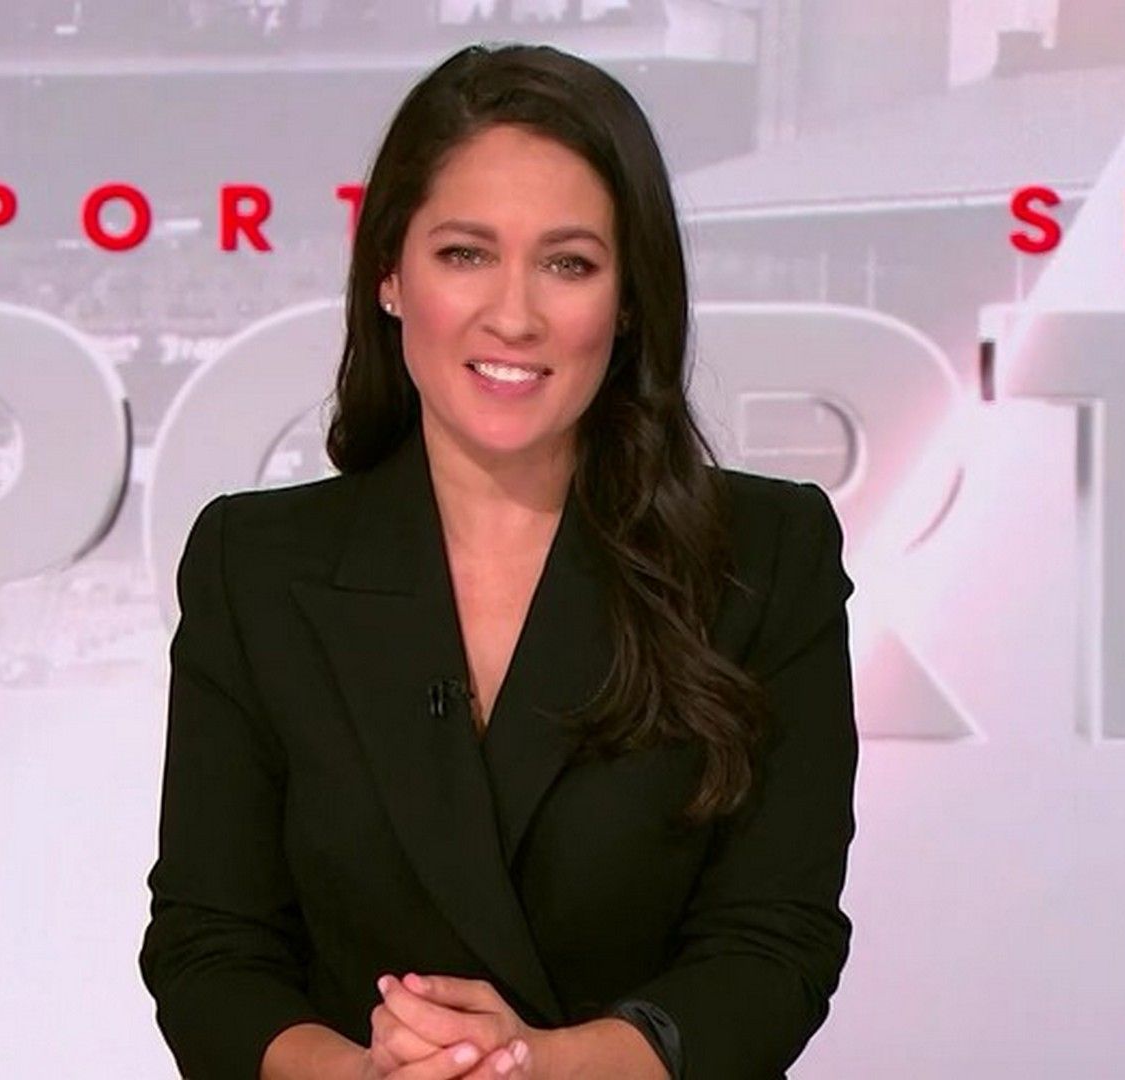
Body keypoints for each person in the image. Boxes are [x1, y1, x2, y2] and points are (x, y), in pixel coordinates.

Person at [139, 43, 857, 1080]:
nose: (514, 315)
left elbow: (773, 947)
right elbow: (210, 952)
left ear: (629, 298)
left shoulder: (766, 556)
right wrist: (367, 1076)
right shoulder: (252, 567)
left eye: (569, 264)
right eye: (465, 254)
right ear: (390, 275)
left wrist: (536, 1064)